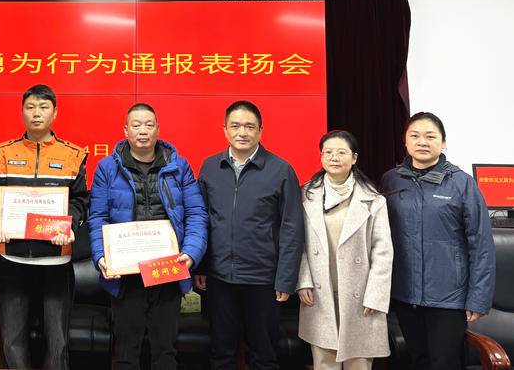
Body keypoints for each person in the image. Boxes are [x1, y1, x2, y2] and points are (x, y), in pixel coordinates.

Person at [88, 103, 207, 370]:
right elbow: (97, 217)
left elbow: (196, 214)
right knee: (126, 353)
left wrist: (191, 253)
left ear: (158, 129)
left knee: (165, 352)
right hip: (126, 275)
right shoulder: (107, 168)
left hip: (167, 270)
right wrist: (101, 257)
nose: (143, 131)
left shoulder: (178, 166)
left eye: (149, 125)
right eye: (137, 125)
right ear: (126, 131)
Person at [0, 84, 89, 370]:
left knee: (58, 341)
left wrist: (70, 224)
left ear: (55, 113)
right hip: (12, 258)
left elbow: (80, 200)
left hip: (56, 259)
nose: (37, 113)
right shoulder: (1, 154)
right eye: (30, 107)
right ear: (22, 112)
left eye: (43, 107)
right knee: (12, 339)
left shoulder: (73, 155)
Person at [380, 111, 495, 370]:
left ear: (443, 142)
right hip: (404, 293)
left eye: (430, 136)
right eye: (415, 136)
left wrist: (478, 297)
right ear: (405, 141)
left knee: (444, 363)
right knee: (417, 360)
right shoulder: (391, 180)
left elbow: (481, 244)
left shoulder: (462, 183)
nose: (422, 142)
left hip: (448, 297)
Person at [195, 100, 303, 370]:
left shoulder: (280, 170)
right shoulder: (210, 167)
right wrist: (202, 267)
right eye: (235, 126)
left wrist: (285, 279)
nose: (242, 132)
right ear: (225, 130)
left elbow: (291, 228)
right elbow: (202, 221)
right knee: (221, 354)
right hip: (219, 278)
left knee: (264, 356)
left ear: (260, 131)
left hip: (263, 279)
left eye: (249, 126)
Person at [296, 130, 392, 370]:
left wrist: (376, 295)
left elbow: (382, 251)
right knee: (324, 361)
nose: (334, 157)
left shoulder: (373, 199)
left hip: (361, 294)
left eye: (341, 152)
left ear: (354, 158)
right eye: (328, 152)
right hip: (320, 290)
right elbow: (298, 243)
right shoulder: (306, 195)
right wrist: (303, 280)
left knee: (358, 362)